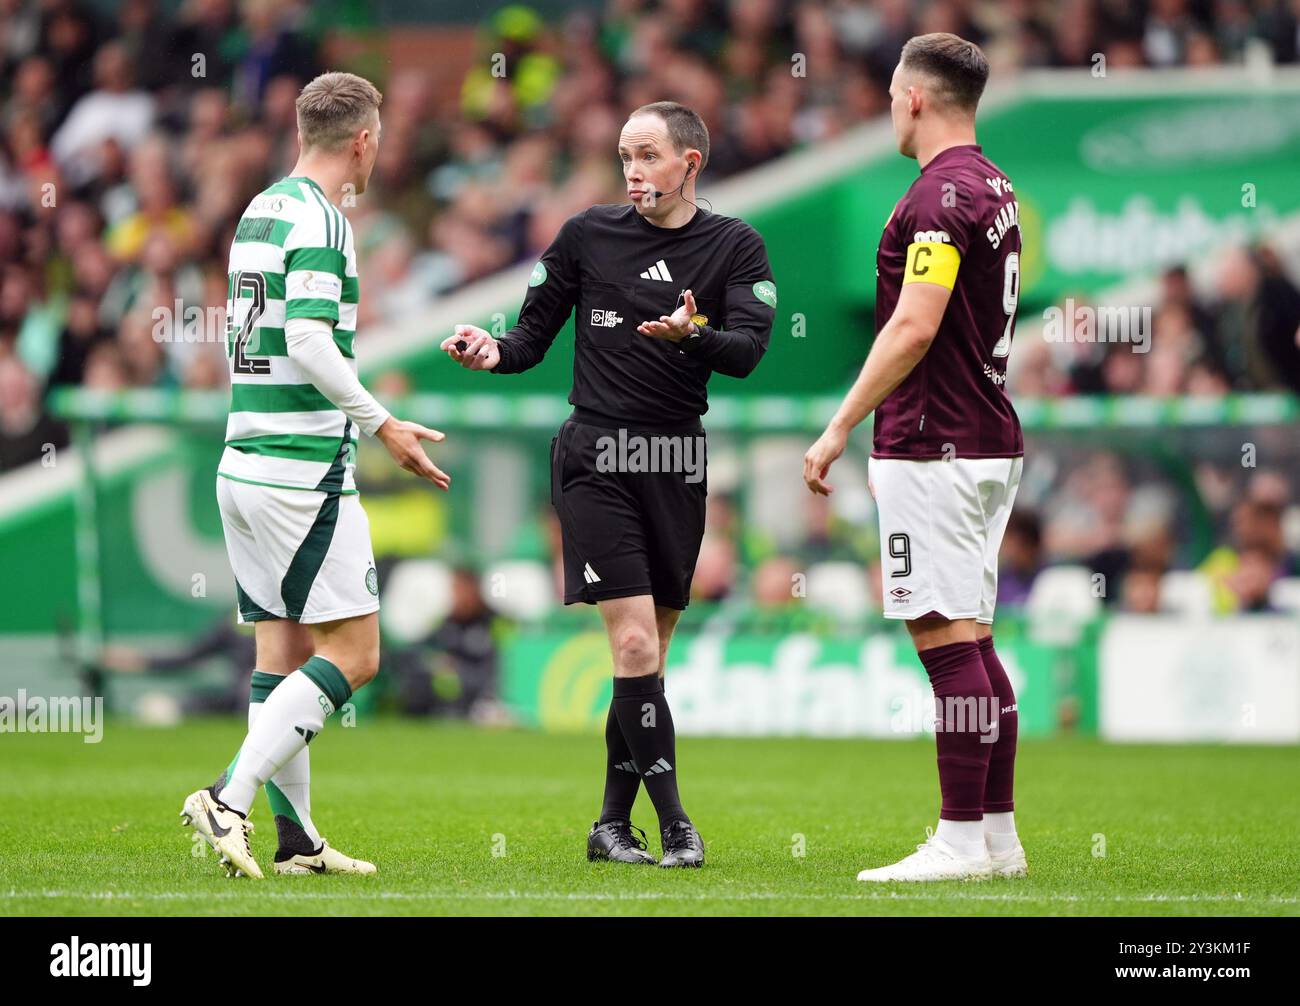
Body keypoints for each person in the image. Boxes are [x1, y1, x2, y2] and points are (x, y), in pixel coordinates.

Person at [440, 101, 776, 867]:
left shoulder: (735, 247)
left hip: (677, 464)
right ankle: (678, 826)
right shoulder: (589, 234)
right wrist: (490, 350)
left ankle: (608, 826)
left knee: (646, 659)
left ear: (690, 163)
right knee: (629, 641)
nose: (633, 169)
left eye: (649, 154)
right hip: (597, 456)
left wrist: (697, 335)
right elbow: (528, 340)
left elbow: (749, 352)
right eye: (625, 154)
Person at [180, 71, 452, 880]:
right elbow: (306, 338)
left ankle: (296, 841)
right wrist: (383, 424)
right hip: (300, 472)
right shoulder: (326, 220)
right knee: (358, 655)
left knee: (282, 652)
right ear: (363, 140)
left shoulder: (260, 208)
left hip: (243, 461)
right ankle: (228, 798)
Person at [803, 34, 1027, 882]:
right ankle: (997, 838)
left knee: (944, 639)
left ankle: (959, 842)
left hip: (935, 442)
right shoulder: (994, 186)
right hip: (985, 437)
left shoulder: (936, 200)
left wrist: (839, 425)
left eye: (894, 95)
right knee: (974, 639)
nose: (890, 108)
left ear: (916, 100)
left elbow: (914, 323)